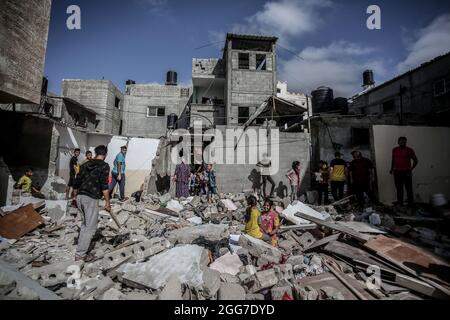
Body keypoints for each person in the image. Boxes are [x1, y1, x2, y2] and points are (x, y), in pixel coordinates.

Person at [73, 145, 111, 262]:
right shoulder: (104, 166)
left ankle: (80, 250)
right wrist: (107, 202)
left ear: (95, 153)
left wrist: (75, 197)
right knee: (90, 227)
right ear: (105, 154)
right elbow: (104, 186)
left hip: (80, 196)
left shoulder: (85, 164)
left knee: (85, 225)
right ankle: (80, 255)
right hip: (91, 198)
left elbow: (76, 182)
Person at [390, 137, 418, 207]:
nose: (402, 143)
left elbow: (416, 161)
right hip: (397, 172)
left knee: (409, 189)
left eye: (404, 141)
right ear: (398, 142)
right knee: (399, 189)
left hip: (406, 172)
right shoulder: (395, 149)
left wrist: (411, 169)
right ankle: (400, 204)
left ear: (406, 142)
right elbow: (393, 160)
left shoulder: (409, 150)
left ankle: (410, 204)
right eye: (401, 141)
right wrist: (391, 169)